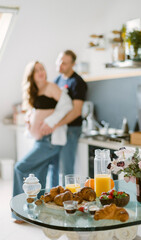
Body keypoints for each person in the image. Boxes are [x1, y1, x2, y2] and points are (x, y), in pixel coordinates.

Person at [13, 61, 72, 222]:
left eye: (42, 69)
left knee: (20, 168)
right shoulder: (35, 91)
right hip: (40, 140)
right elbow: (39, 111)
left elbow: (66, 105)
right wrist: (30, 118)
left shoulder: (51, 87)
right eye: (36, 70)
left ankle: (18, 211)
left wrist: (51, 122)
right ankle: (35, 214)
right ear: (31, 75)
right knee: (40, 175)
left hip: (49, 140)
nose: (41, 72)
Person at [40, 50, 87, 184]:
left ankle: (68, 201)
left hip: (71, 129)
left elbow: (76, 111)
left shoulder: (78, 83)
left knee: (66, 170)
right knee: (53, 166)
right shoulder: (57, 80)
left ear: (73, 64)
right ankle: (52, 198)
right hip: (58, 129)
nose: (60, 65)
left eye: (64, 63)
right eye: (59, 61)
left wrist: (56, 124)